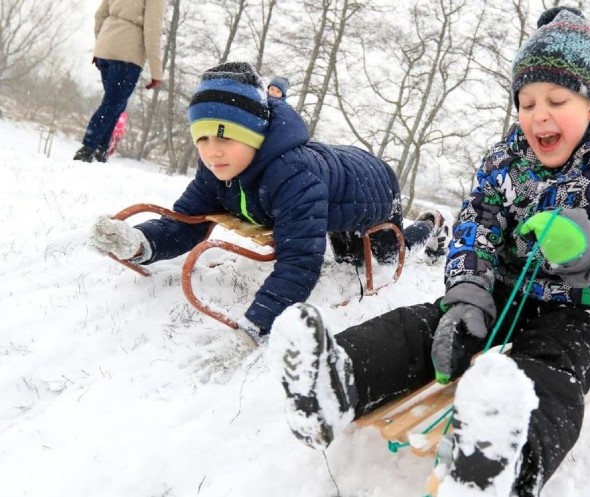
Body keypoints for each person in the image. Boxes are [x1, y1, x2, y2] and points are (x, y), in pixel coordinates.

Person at [268, 8, 590, 497]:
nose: (538, 114)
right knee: (426, 327)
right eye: (525, 102)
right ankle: (336, 381)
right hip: (501, 290)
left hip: (578, 307)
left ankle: (509, 463)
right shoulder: (504, 160)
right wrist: (467, 292)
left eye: (556, 99)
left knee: (552, 371)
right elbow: (475, 226)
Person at [86, 62, 448, 343]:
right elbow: (186, 222)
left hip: (374, 189)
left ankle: (429, 226)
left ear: (255, 135)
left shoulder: (293, 175)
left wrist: (257, 324)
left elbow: (299, 263)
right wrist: (138, 242)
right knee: (344, 253)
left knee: (380, 257)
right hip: (332, 189)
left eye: (226, 137)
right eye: (203, 138)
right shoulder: (217, 169)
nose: (212, 152)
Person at [73, 0, 166, 163]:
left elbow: (100, 15)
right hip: (127, 53)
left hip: (106, 48)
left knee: (116, 103)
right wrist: (156, 71)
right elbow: (152, 30)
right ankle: (87, 148)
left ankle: (101, 150)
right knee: (112, 103)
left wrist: (101, 45)